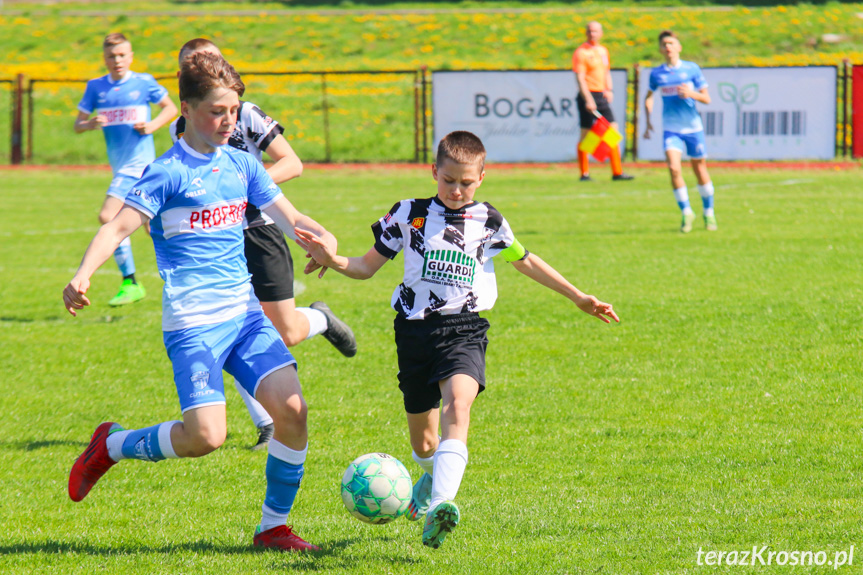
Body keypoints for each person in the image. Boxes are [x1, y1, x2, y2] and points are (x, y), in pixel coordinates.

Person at [295, 131, 620, 549]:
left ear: (481, 177)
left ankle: (440, 508)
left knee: (458, 407)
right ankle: (431, 477)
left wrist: (579, 296)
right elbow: (364, 266)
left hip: (464, 329)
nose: (456, 189)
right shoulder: (408, 214)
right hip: (413, 333)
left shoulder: (489, 221)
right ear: (433, 171)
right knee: (424, 444)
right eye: (448, 180)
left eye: (466, 182)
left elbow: (526, 260)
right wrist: (332, 259)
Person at [63, 52, 333, 552]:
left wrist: (325, 239)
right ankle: (113, 444)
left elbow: (292, 216)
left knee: (293, 411)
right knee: (205, 438)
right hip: (193, 325)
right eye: (216, 111)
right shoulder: (166, 173)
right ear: (185, 109)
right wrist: (83, 274)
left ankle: (272, 527)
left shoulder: (243, 164)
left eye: (233, 110)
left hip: (246, 316)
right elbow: (117, 226)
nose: (228, 120)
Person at [171, 38, 357, 451]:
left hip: (261, 228)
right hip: (215, 239)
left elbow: (293, 162)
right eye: (191, 65)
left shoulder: (247, 115)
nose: (200, 67)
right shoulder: (181, 128)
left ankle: (321, 319)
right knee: (230, 327)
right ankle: (266, 423)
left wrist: (247, 186)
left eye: (208, 61)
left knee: (286, 331)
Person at [74, 33, 178, 305]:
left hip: (139, 165)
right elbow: (77, 124)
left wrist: (152, 126)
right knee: (153, 225)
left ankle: (130, 281)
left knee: (108, 215)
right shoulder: (96, 87)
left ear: (131, 56)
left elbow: (171, 108)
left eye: (122, 55)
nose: (117, 60)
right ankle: (180, 273)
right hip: (120, 167)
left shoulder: (143, 82)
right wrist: (89, 124)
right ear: (104, 58)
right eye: (111, 56)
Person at [643, 30, 717, 233]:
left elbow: (707, 98)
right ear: (660, 49)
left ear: (679, 47)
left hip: (693, 128)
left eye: (671, 43)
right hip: (671, 130)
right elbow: (649, 96)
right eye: (664, 44)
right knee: (674, 169)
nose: (668, 47)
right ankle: (686, 212)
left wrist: (690, 93)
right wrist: (648, 119)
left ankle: (708, 212)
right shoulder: (657, 73)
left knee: (699, 169)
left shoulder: (691, 69)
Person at [572, 21, 633, 183]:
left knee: (612, 130)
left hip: (601, 95)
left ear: (601, 33)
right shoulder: (581, 52)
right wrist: (588, 99)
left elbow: (606, 72)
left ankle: (617, 171)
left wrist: (609, 89)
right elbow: (580, 78)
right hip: (588, 95)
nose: (593, 34)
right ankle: (584, 173)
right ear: (586, 33)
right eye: (590, 31)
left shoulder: (603, 50)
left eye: (596, 31)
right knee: (585, 134)